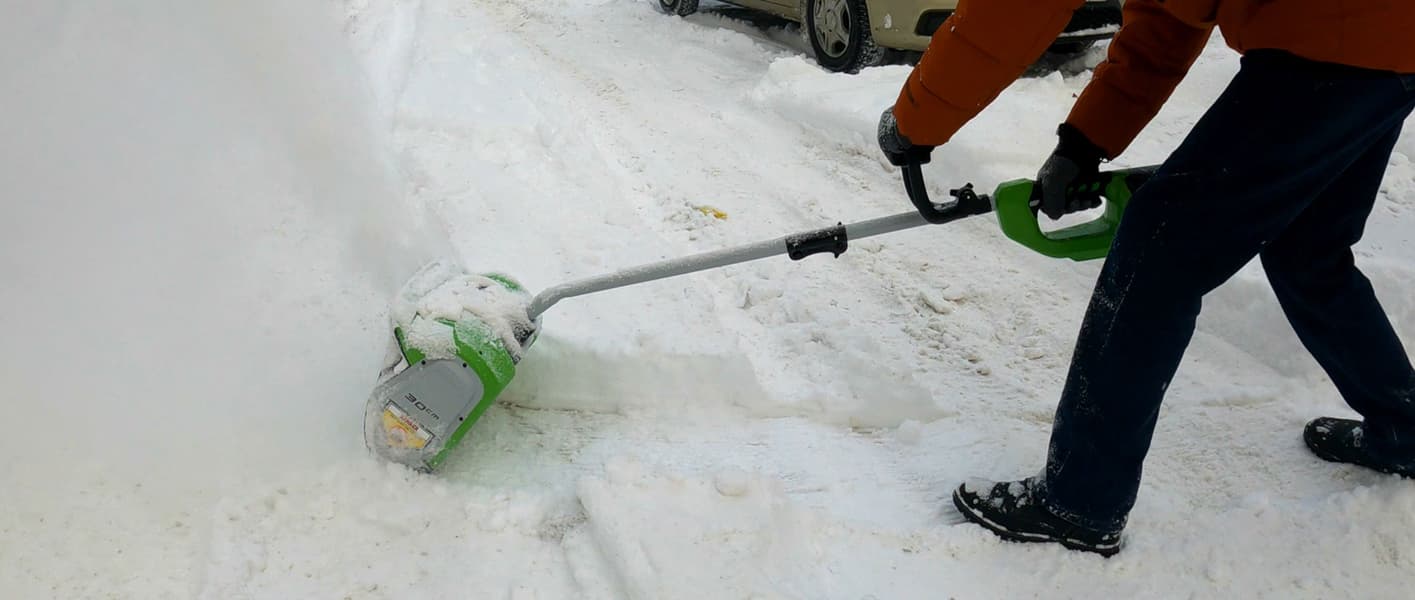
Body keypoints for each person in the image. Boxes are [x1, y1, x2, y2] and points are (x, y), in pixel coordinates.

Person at [878, 0, 1415, 556]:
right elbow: (1170, 16)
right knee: (1309, 247)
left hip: (1328, 42)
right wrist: (1084, 141)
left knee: (1160, 250)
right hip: (1388, 39)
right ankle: (1403, 429)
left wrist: (916, 120)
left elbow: (1014, 12)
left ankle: (1080, 501)